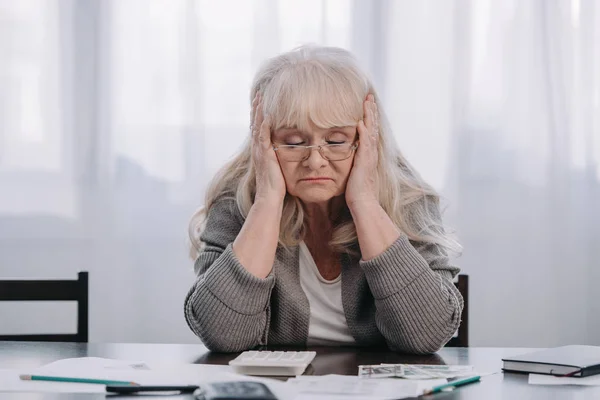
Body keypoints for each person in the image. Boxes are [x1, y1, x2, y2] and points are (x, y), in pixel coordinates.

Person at [184, 45, 463, 354]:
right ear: (262, 141)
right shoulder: (237, 201)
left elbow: (428, 334)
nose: (315, 161)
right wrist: (267, 202)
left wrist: (365, 202)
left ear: (368, 139)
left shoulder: (407, 200)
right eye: (293, 142)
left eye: (336, 141)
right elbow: (221, 335)